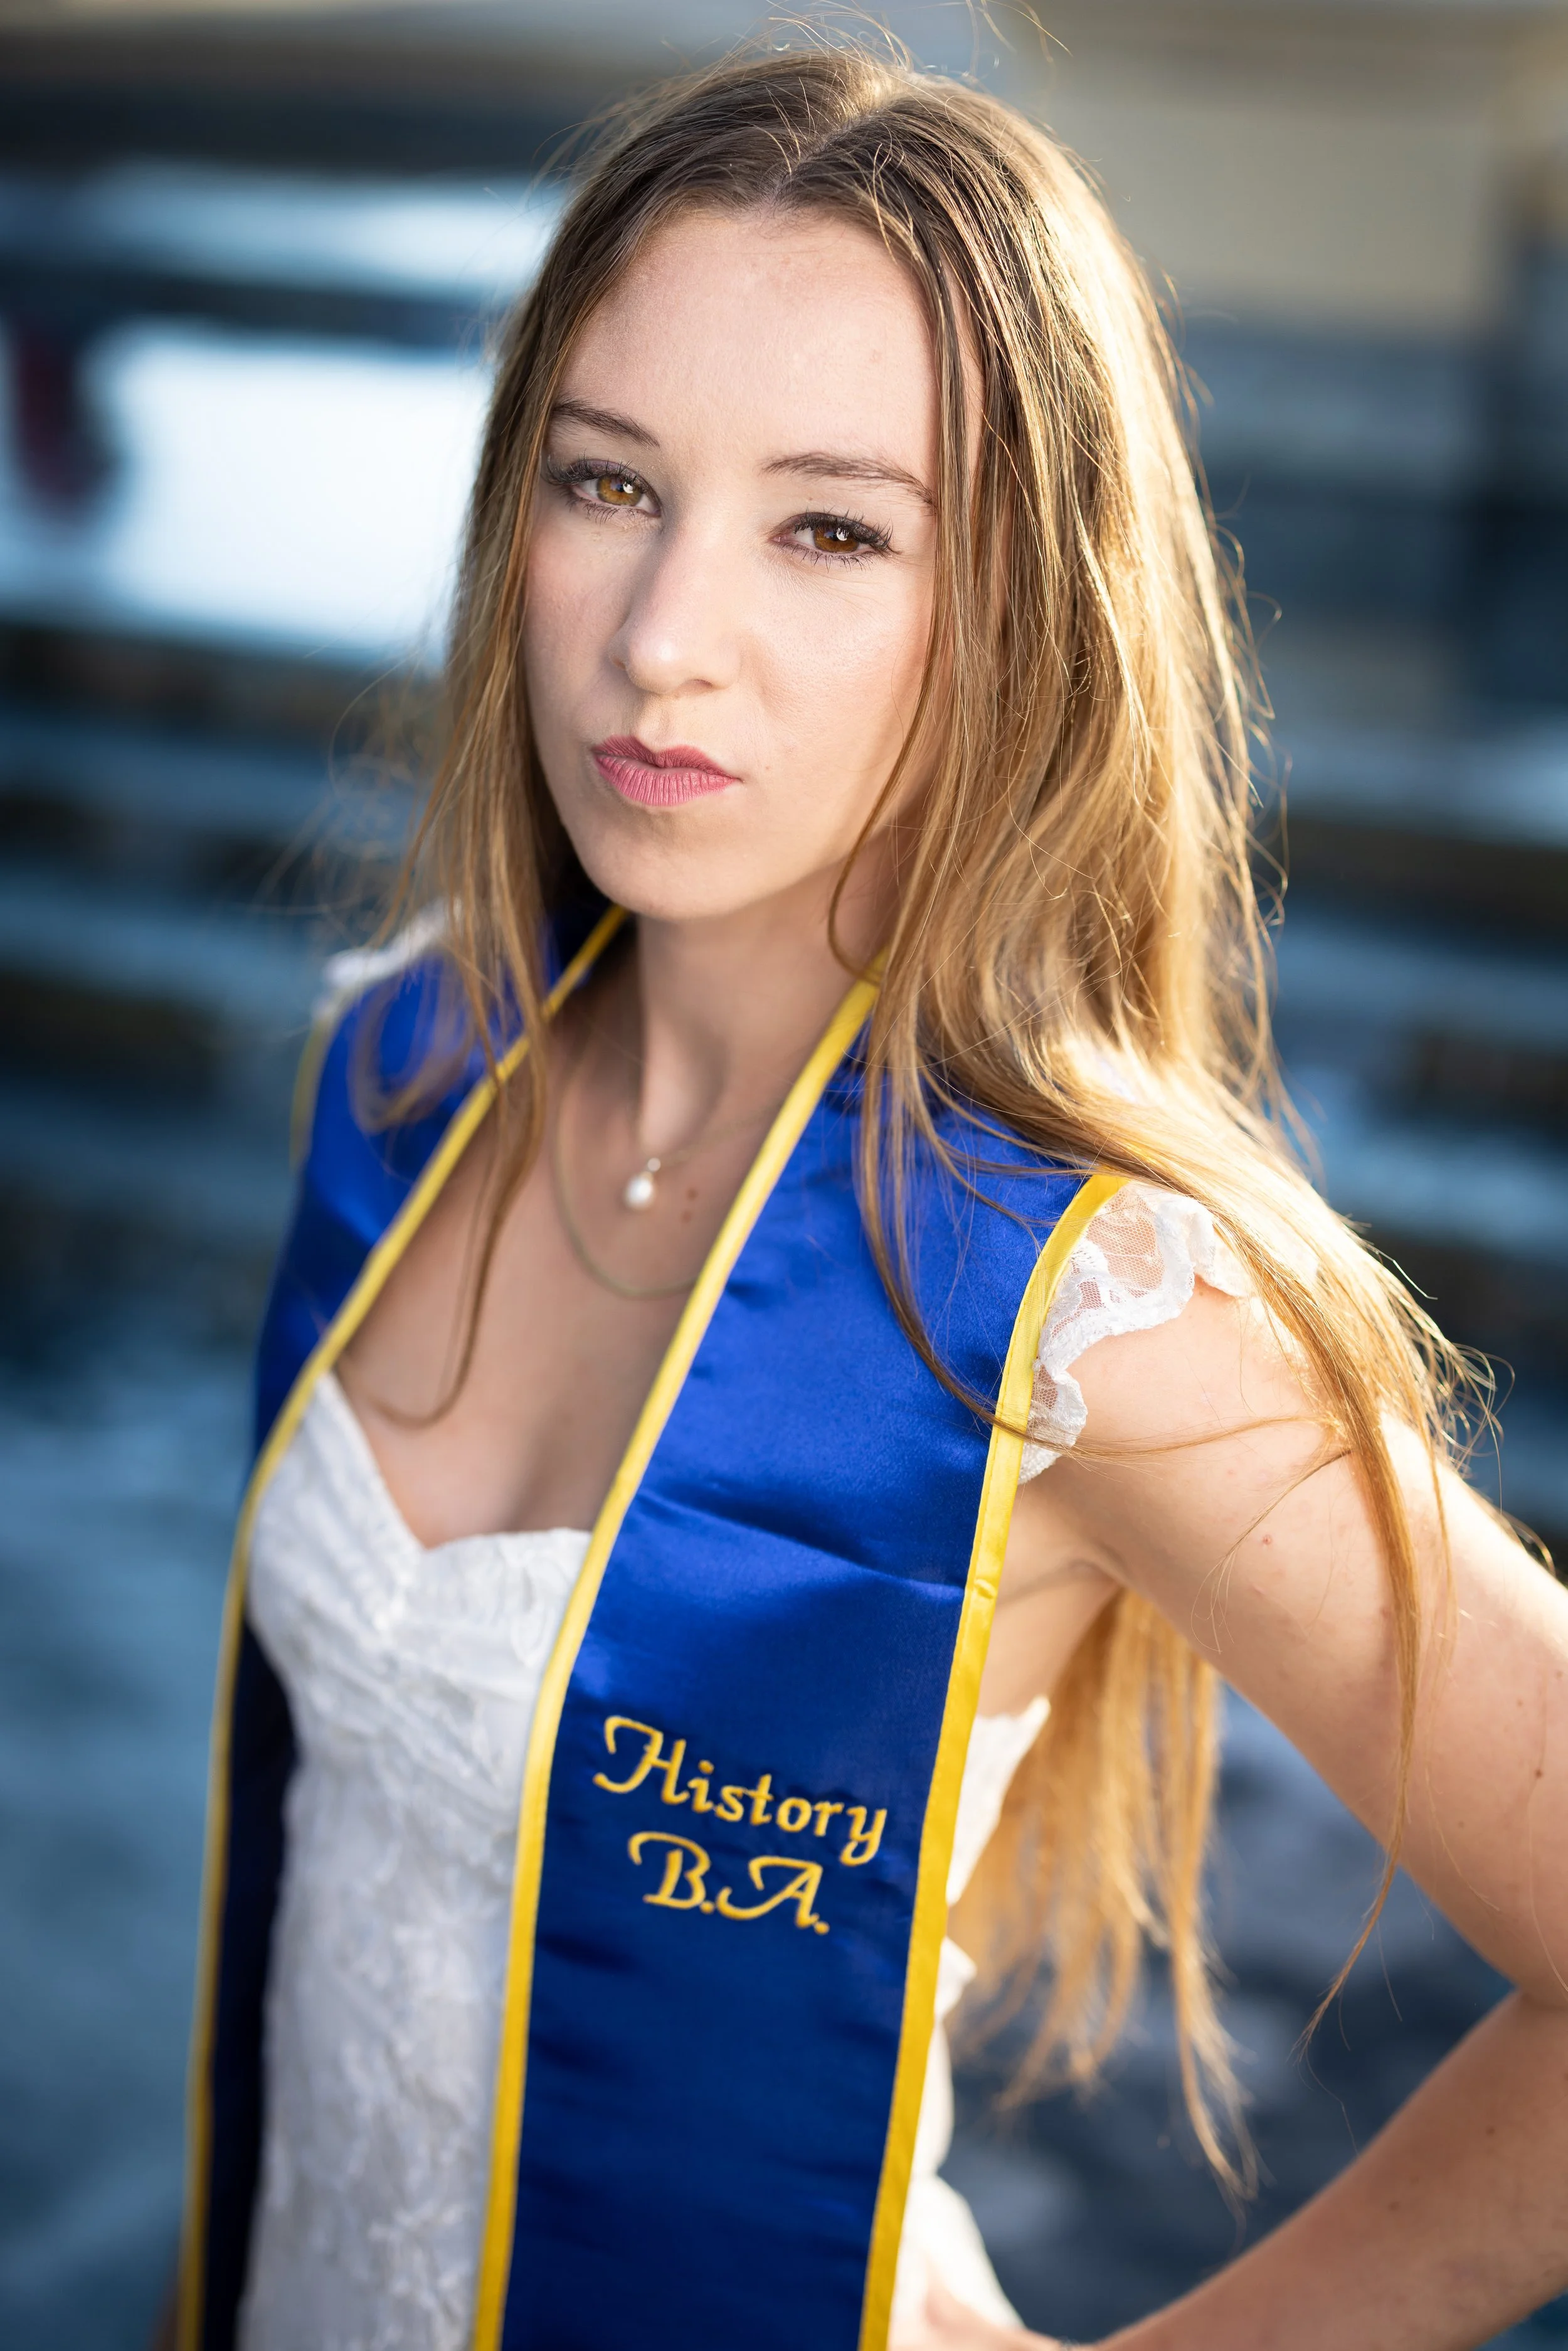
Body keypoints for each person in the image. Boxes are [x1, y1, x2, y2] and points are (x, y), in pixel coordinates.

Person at [169, 43, 1568, 2351]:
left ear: (1012, 607)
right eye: (606, 481)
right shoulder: (406, 1073)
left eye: (830, 526)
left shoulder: (1085, 1312)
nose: (659, 633)